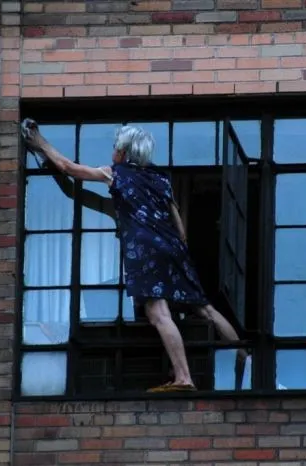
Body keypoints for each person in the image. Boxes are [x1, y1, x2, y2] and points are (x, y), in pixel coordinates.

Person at [21, 118, 246, 393]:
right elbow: (180, 229)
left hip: (145, 249)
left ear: (124, 152)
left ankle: (184, 377)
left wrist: (40, 142)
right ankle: (242, 356)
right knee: (205, 309)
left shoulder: (116, 174)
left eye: (116, 147)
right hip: (174, 248)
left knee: (158, 313)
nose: (113, 152)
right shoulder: (160, 179)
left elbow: (70, 169)